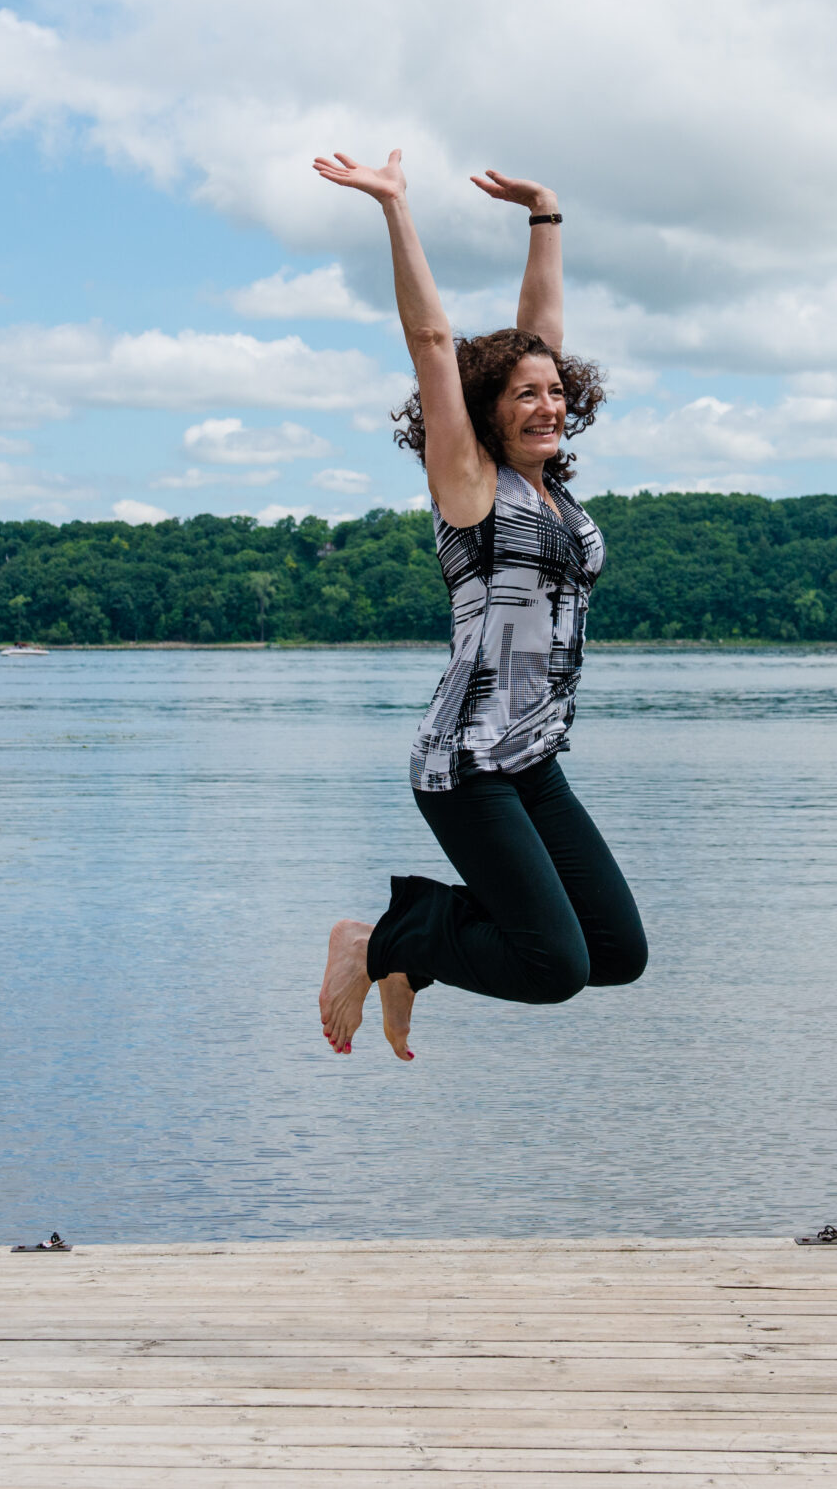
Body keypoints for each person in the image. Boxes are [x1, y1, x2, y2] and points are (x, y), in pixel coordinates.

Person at [309, 149, 647, 1059]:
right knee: (553, 964)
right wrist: (395, 208)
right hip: (466, 764)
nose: (548, 402)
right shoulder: (470, 488)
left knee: (616, 952)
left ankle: (409, 947)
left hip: (532, 757)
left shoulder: (553, 496)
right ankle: (382, 941)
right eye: (525, 394)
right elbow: (432, 346)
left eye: (556, 392)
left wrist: (546, 217)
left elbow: (540, 335)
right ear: (486, 412)